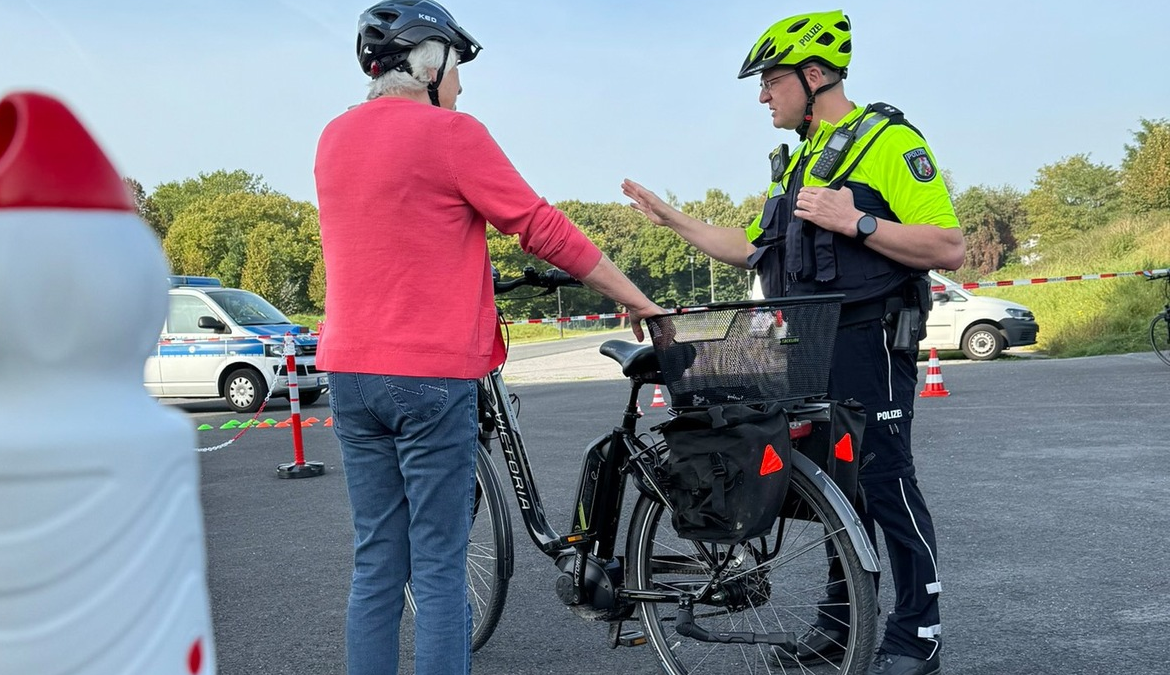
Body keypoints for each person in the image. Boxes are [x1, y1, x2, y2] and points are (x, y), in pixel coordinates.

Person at [313, 2, 663, 674]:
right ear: (428, 63)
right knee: (440, 565)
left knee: (378, 561)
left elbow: (393, 236)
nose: (462, 87)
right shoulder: (452, 135)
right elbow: (540, 227)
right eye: (456, 69)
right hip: (428, 377)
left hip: (350, 373)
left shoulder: (332, 139)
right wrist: (633, 296)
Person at [622, 10, 964, 675]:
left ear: (813, 76)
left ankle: (919, 628)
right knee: (840, 488)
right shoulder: (800, 163)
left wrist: (858, 219)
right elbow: (750, 246)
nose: (762, 96)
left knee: (885, 481)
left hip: (871, 339)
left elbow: (947, 244)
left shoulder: (888, 142)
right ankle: (839, 624)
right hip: (808, 343)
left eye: (771, 81)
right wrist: (672, 218)